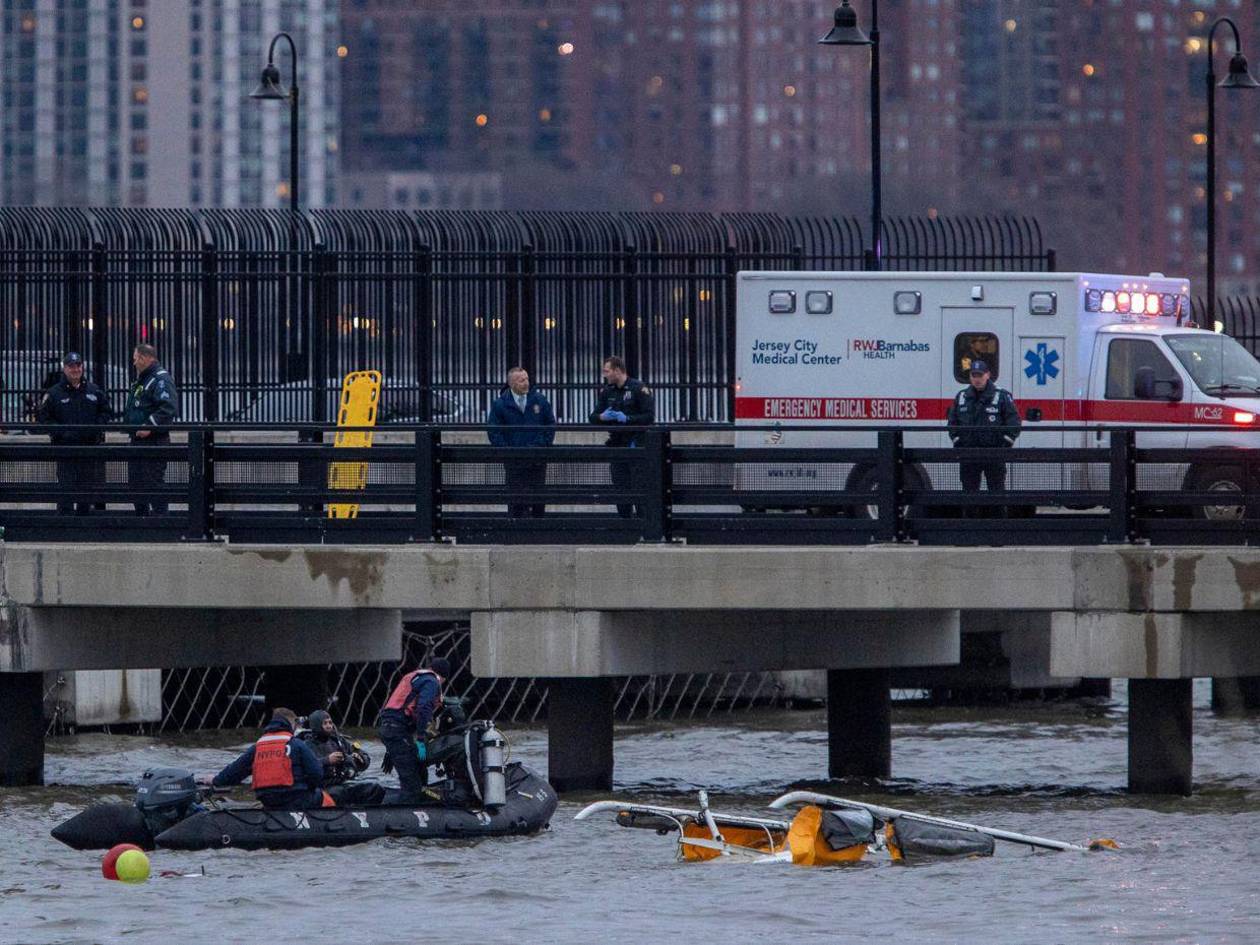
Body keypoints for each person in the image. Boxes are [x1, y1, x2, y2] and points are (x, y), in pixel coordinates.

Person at [210, 708, 331, 810]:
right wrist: (311, 787)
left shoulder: (258, 746)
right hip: (295, 799)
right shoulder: (297, 744)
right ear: (292, 724)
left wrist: (216, 780)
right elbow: (316, 773)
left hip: (268, 800)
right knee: (324, 796)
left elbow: (235, 772)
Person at [36, 352, 112, 514]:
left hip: (89, 449)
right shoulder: (54, 393)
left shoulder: (94, 390)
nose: (75, 369)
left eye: (78, 365)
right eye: (71, 366)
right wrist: (61, 433)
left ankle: (84, 523)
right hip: (65, 450)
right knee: (66, 490)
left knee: (86, 490)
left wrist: (95, 428)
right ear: (64, 369)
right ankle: (65, 523)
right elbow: (43, 418)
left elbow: (106, 412)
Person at [375, 656, 450, 803]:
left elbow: (396, 709)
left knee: (419, 772)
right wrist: (421, 738)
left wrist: (391, 750)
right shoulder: (432, 682)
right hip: (397, 732)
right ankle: (405, 809)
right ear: (444, 677)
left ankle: (418, 801)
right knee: (413, 785)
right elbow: (423, 708)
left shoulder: (415, 676)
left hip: (391, 730)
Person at [946, 360, 1021, 505]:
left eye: (980, 375)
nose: (977, 379)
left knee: (997, 495)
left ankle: (997, 520)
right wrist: (959, 443)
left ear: (988, 375)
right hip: (969, 455)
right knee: (969, 497)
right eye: (974, 375)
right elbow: (952, 423)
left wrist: (1004, 446)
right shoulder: (961, 397)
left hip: (994, 455)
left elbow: (1014, 422)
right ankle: (970, 520)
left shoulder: (1001, 396)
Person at [589, 356, 655, 518]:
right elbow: (593, 417)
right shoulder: (608, 391)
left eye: (607, 371)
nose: (605, 375)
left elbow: (649, 416)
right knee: (620, 487)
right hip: (617, 445)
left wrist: (628, 419)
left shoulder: (638, 389)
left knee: (640, 487)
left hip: (636, 445)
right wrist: (602, 417)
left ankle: (643, 522)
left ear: (617, 371)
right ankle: (625, 522)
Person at [487, 367, 556, 517]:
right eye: (521, 380)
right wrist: (508, 450)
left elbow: (550, 424)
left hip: (537, 458)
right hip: (514, 460)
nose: (526, 383)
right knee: (515, 498)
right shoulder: (500, 404)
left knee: (538, 497)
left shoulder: (540, 400)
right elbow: (494, 431)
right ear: (512, 384)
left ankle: (538, 526)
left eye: (527, 379)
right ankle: (516, 526)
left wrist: (542, 445)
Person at [123, 343, 177, 515]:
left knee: (153, 482)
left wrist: (150, 426)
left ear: (145, 358)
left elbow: (168, 407)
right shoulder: (145, 379)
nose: (134, 363)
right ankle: (142, 519)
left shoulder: (160, 379)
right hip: (138, 440)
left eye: (136, 359)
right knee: (136, 483)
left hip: (154, 441)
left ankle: (161, 520)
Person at [300, 709, 371, 788]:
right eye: (325, 723)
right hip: (325, 785)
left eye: (330, 722)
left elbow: (364, 756)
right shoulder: (307, 745)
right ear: (317, 726)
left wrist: (360, 758)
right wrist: (327, 760)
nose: (329, 726)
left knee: (375, 787)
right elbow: (306, 768)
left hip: (345, 781)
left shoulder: (337, 740)